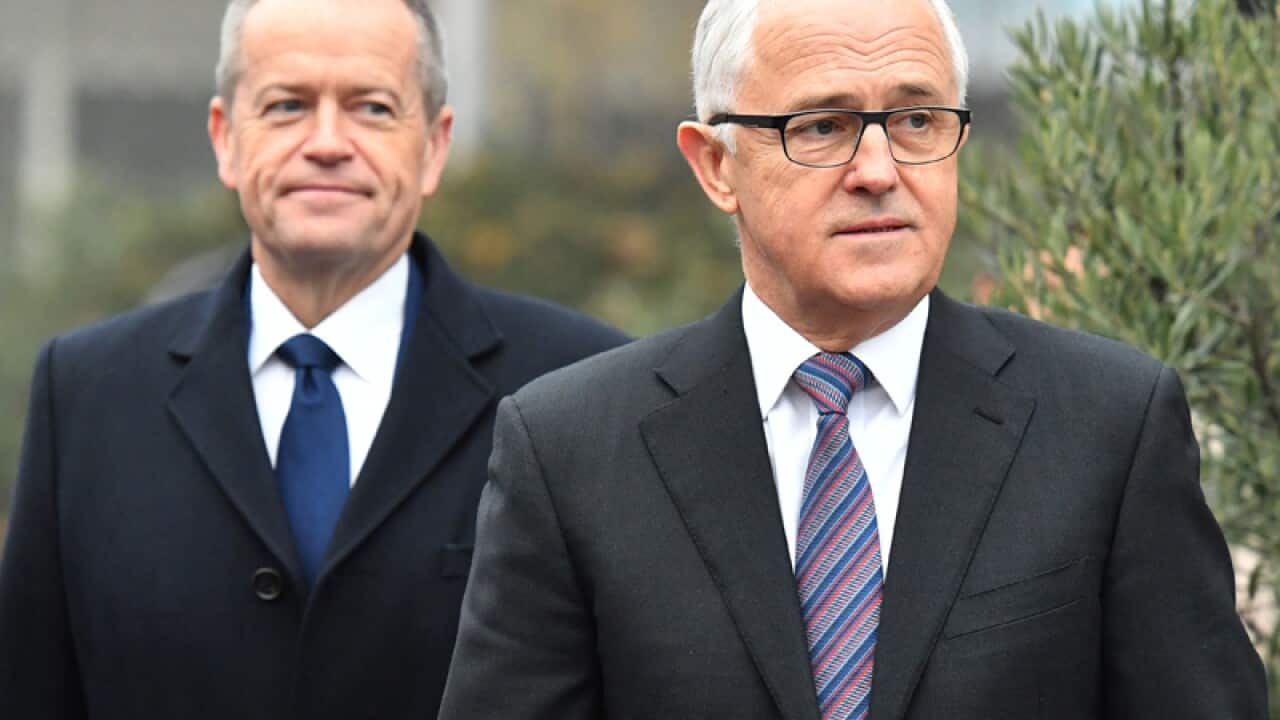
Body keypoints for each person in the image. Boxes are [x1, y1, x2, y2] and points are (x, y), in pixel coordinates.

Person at [438, 0, 1268, 717]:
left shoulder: (1108, 424)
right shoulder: (572, 451)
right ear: (716, 165)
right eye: (823, 126)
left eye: (916, 120)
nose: (879, 171)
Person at [0, 1, 627, 718]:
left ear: (433, 146)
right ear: (224, 138)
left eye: (371, 107)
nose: (327, 142)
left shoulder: (580, 387)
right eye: (287, 105)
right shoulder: (87, 394)